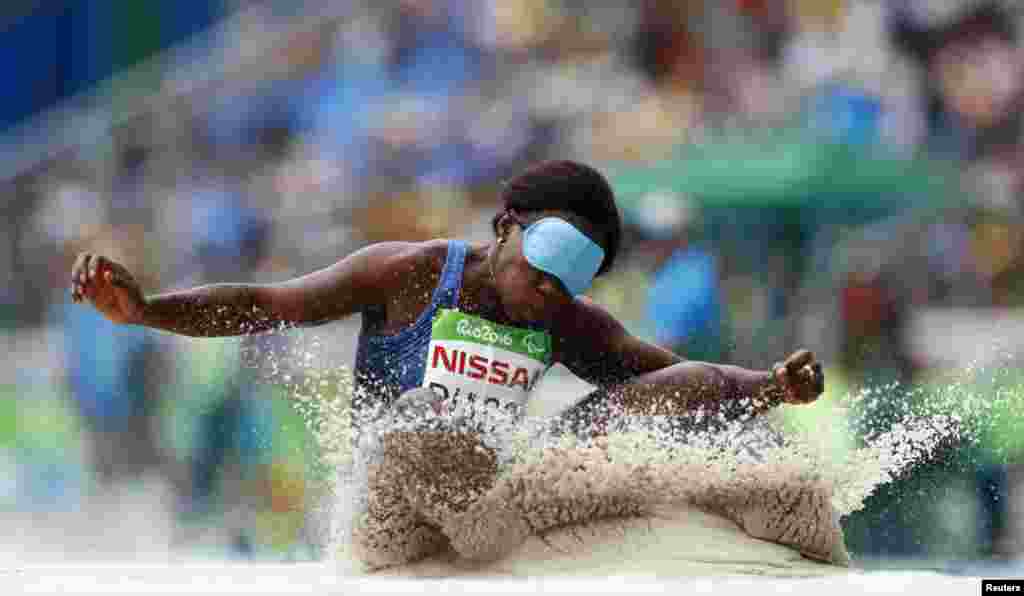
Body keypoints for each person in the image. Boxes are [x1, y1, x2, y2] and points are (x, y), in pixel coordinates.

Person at [71, 160, 825, 564]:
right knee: (434, 415)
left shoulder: (562, 318)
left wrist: (771, 387)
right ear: (505, 228)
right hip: (389, 500)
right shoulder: (406, 274)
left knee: (680, 389)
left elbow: (676, 382)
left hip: (497, 500)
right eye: (540, 269)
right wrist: (148, 311)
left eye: (568, 284)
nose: (544, 296)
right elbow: (267, 303)